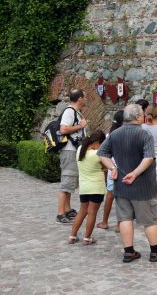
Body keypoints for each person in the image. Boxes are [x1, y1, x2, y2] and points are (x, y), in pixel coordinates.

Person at [97, 104, 157, 263]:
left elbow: (102, 153)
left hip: (121, 185)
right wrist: (136, 173)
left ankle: (128, 252)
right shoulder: (144, 134)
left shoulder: (114, 134)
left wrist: (112, 168)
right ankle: (155, 252)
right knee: (149, 221)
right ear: (138, 117)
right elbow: (149, 157)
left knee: (125, 219)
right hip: (143, 186)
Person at [68, 131, 106, 245]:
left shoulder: (80, 150)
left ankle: (72, 236)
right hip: (96, 187)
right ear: (96, 142)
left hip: (84, 187)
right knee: (92, 212)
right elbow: (106, 167)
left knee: (82, 211)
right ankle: (87, 238)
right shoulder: (98, 154)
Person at [56, 89, 88, 224]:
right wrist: (80, 126)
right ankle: (60, 214)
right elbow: (63, 129)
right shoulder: (70, 111)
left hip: (73, 150)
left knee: (70, 181)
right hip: (69, 151)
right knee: (67, 180)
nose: (85, 99)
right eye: (84, 97)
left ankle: (67, 210)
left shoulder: (75, 112)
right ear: (80, 99)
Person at [97, 110, 123, 231]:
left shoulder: (109, 135)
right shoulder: (123, 134)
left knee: (110, 196)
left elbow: (103, 152)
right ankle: (119, 224)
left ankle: (104, 221)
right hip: (123, 168)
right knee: (121, 198)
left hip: (111, 167)